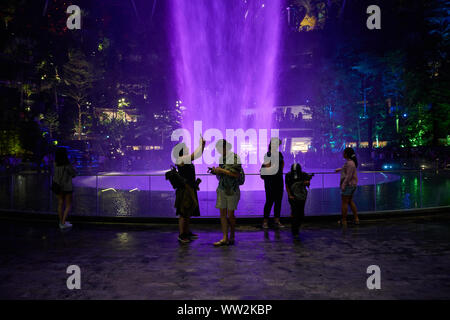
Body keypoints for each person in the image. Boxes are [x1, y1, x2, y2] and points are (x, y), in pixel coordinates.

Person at [172, 136, 206, 243]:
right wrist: (202, 145)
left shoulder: (185, 159)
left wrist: (202, 145)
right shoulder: (181, 159)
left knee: (188, 211)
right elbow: (196, 155)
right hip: (184, 190)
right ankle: (182, 234)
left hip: (189, 188)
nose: (187, 149)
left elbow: (196, 155)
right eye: (185, 148)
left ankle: (186, 232)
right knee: (183, 212)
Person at [209, 139, 242, 246]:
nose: (218, 151)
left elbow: (236, 174)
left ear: (225, 147)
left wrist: (221, 170)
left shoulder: (234, 157)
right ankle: (225, 237)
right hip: (222, 188)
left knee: (230, 215)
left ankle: (232, 235)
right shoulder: (221, 158)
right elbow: (223, 175)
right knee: (223, 214)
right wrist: (216, 172)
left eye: (219, 149)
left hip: (232, 190)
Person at [261, 137, 284, 229]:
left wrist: (278, 170)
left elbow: (282, 164)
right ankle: (265, 222)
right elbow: (268, 167)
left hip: (278, 180)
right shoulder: (268, 155)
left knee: (278, 201)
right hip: (270, 182)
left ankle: (276, 221)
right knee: (269, 201)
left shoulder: (279, 154)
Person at [285, 163, 312, 239]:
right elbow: (287, 186)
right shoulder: (288, 175)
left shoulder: (304, 175)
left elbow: (308, 183)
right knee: (295, 213)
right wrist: (290, 195)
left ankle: (296, 228)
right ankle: (295, 231)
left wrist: (307, 182)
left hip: (301, 197)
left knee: (301, 214)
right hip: (293, 197)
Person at [53, 147, 77, 229]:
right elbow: (74, 174)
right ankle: (63, 223)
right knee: (68, 205)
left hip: (58, 186)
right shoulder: (67, 165)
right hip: (67, 187)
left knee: (60, 203)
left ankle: (61, 222)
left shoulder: (55, 163)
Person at [335, 147, 359, 226]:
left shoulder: (350, 163)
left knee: (344, 202)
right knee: (350, 201)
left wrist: (343, 185)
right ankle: (356, 218)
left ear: (346, 154)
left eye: (344, 152)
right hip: (352, 185)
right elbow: (348, 170)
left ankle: (344, 220)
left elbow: (348, 176)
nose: (343, 154)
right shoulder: (350, 163)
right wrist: (340, 169)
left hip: (348, 185)